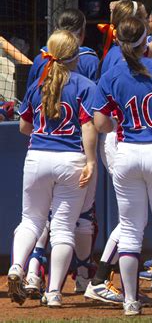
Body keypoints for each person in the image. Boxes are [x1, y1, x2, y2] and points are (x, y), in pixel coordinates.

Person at [84, 0, 152, 306]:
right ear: (145, 36)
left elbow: (100, 122)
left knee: (130, 229)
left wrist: (123, 122)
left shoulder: (113, 69)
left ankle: (130, 300)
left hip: (127, 150)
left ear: (119, 38)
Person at [8, 30, 97, 308]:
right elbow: (88, 126)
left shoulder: (38, 85)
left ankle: (17, 268)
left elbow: (24, 127)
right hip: (71, 159)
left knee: (30, 221)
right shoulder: (84, 85)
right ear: (75, 55)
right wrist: (92, 160)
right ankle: (55, 292)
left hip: (37, 157)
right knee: (63, 229)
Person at [27, 9, 99, 87]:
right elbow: (97, 96)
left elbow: (30, 94)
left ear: (55, 30)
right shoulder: (90, 61)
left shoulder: (41, 58)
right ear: (82, 33)